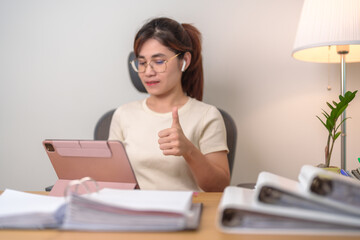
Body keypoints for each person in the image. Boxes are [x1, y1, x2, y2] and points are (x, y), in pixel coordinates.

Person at [109, 17, 230, 192]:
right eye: (142, 63)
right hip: (135, 213)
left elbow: (219, 187)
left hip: (186, 213)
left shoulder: (207, 116)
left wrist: (189, 151)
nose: (148, 72)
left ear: (184, 61)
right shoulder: (123, 114)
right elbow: (113, 180)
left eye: (159, 62)